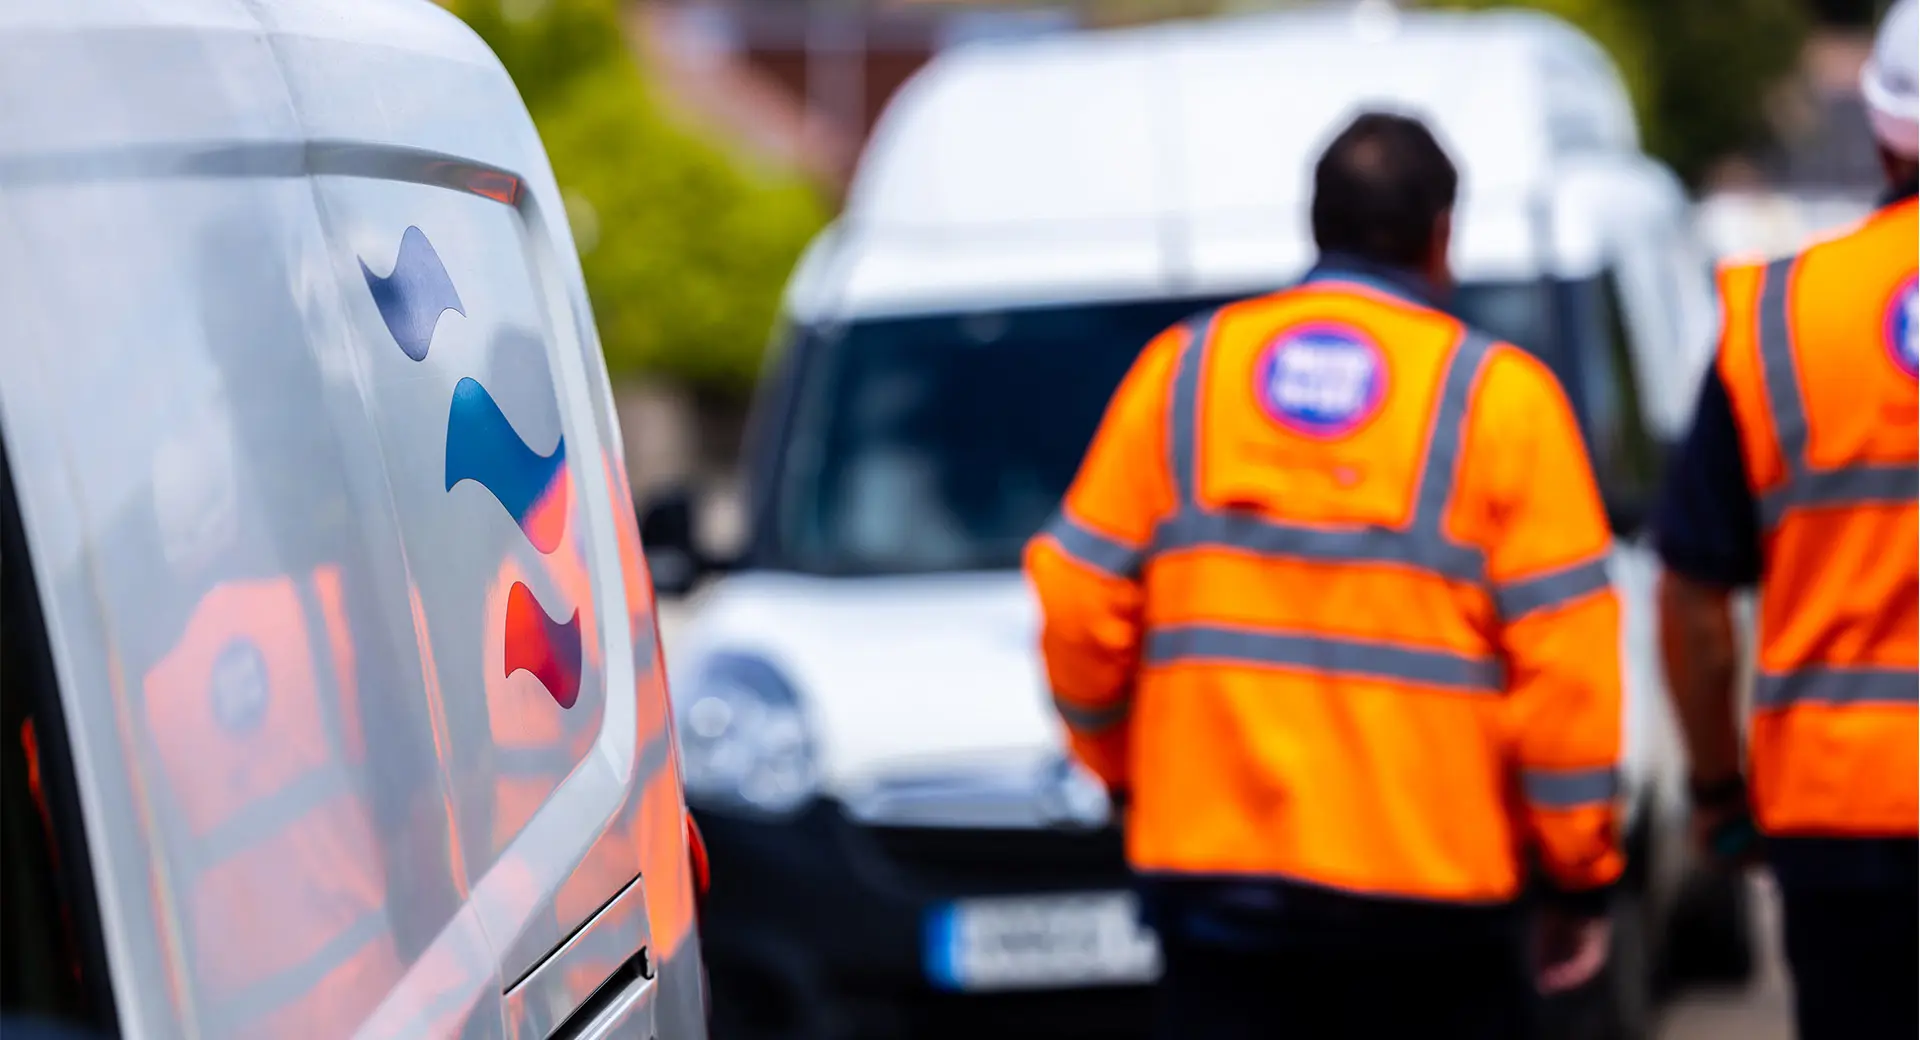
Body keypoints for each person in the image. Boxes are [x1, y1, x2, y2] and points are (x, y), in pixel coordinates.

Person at [1026, 111, 1623, 1039]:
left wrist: (1120, 769)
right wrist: (1579, 873)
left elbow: (1075, 596)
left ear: (1317, 225)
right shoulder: (1502, 399)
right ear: (1442, 236)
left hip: (1218, 887)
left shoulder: (1185, 374)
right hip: (1433, 904)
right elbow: (1570, 669)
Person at [1651, 2, 1919, 1037]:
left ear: (1881, 127)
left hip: (1839, 808)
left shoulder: (1777, 319)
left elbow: (1694, 597)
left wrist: (1718, 790)